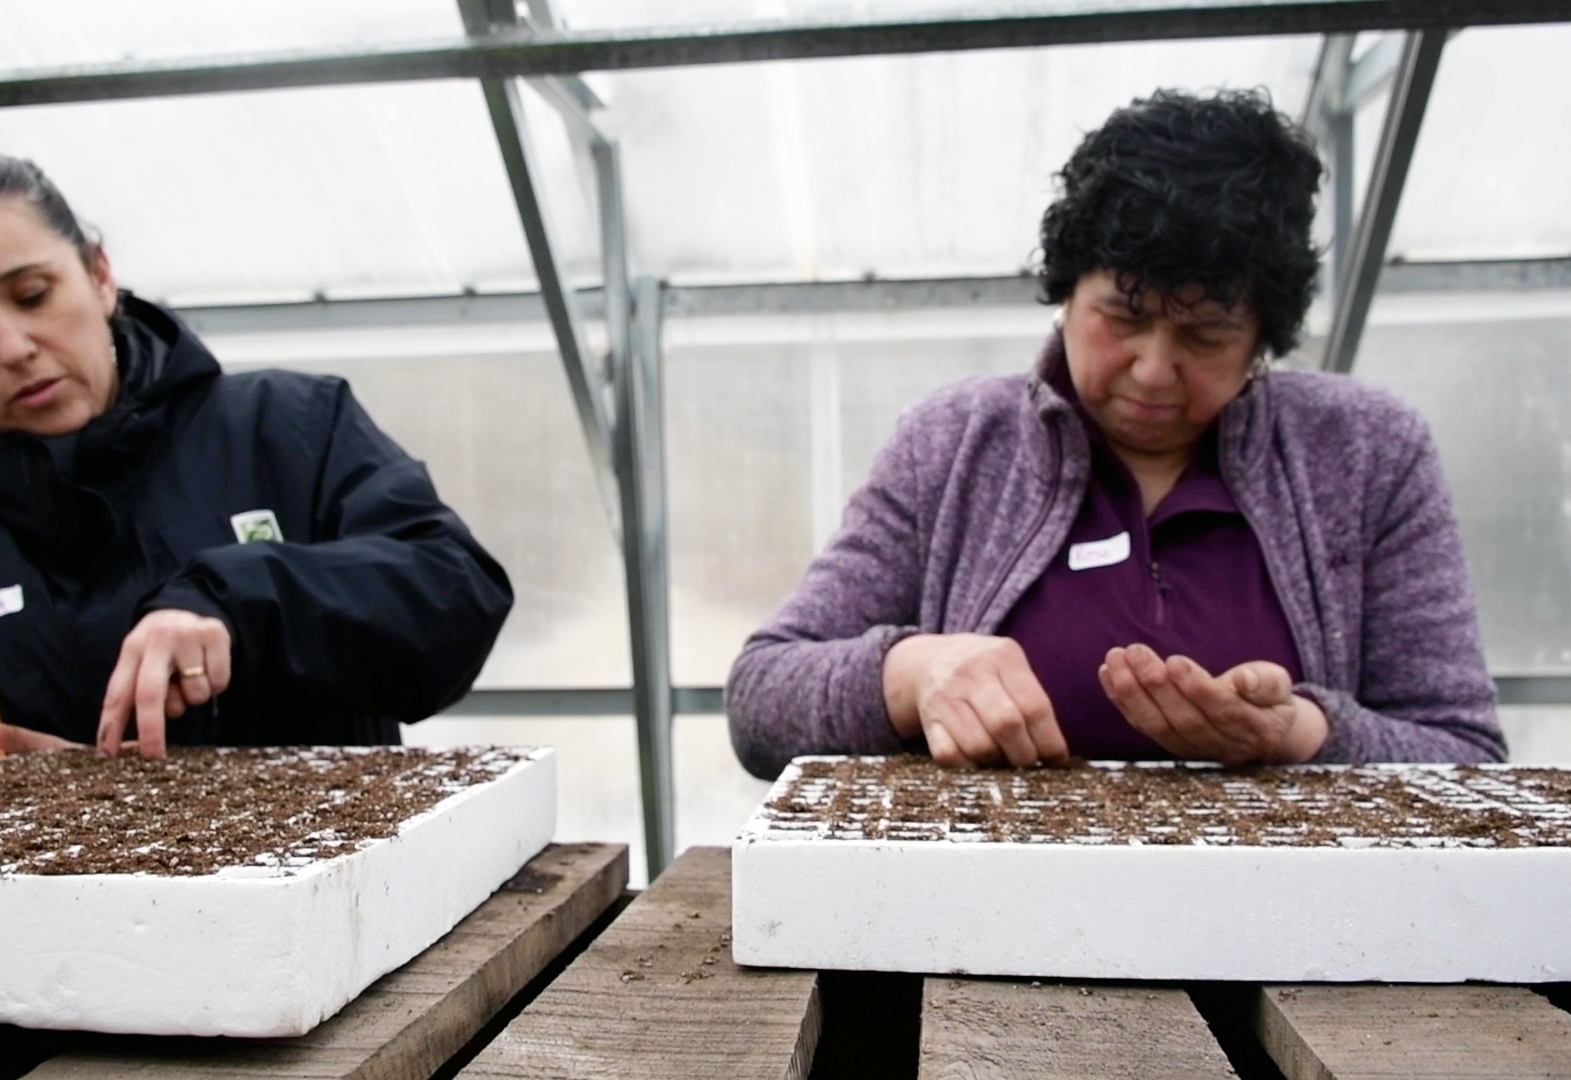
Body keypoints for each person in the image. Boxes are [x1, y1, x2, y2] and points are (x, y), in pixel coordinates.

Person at [727, 89, 1506, 779]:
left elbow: (1464, 756)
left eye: (1206, 334)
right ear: (1065, 291)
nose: (1153, 372)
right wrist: (913, 671)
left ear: (1263, 335)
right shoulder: (953, 443)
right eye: (1123, 319)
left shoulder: (1367, 453)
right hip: (986, 917)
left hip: (1291, 926)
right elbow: (761, 703)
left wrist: (1300, 732)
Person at [0, 157, 513, 758]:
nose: (12, 348)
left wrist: (236, 599)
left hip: (330, 847)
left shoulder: (283, 428)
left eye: (33, 295)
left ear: (100, 275)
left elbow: (454, 595)